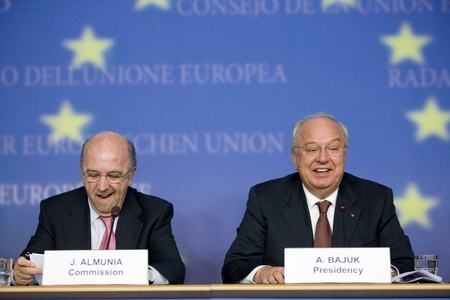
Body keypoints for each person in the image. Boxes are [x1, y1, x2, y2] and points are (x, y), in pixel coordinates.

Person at [222, 112, 414, 284]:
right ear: (295, 158)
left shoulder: (375, 199)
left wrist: (382, 272)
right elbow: (235, 266)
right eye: (312, 149)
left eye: (333, 148)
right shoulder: (266, 199)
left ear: (344, 156)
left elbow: (404, 263)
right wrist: (262, 273)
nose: (323, 158)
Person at [13, 131, 185, 285]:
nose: (102, 186)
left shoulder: (154, 211)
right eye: (93, 175)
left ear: (131, 175)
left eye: (113, 175)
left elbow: (173, 268)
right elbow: (29, 261)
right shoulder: (55, 210)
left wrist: (140, 275)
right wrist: (20, 274)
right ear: (82, 172)